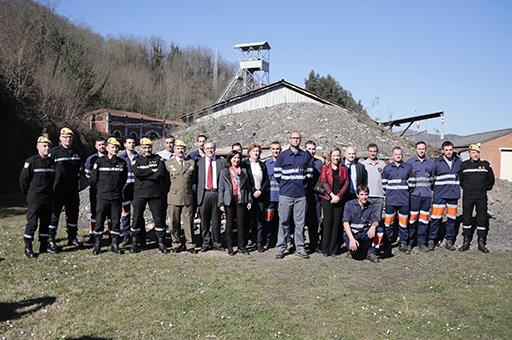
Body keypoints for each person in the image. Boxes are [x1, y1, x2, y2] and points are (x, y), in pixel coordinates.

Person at [274, 131, 313, 260]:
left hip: (301, 195)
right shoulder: (282, 156)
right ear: (289, 139)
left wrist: (301, 184)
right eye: (293, 138)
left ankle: (300, 248)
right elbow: (277, 175)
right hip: (285, 194)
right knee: (283, 221)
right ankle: (281, 248)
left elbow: (309, 175)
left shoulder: (306, 156)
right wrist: (288, 184)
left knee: (300, 223)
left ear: (300, 140)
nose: (296, 140)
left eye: (298, 138)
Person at [19, 135, 56, 257]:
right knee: (32, 223)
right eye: (44, 146)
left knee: (45, 223)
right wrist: (29, 194)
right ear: (38, 147)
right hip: (35, 198)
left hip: (48, 198)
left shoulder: (51, 163)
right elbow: (23, 180)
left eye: (48, 146)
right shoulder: (31, 162)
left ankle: (44, 246)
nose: (47, 148)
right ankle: (28, 247)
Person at [90, 137, 128, 255]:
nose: (115, 149)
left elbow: (123, 180)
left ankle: (115, 244)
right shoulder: (99, 162)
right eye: (112, 147)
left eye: (117, 147)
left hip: (116, 197)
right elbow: (94, 180)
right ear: (107, 148)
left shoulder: (122, 163)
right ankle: (97, 245)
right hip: (102, 197)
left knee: (116, 221)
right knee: (99, 221)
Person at [130, 138, 168, 253]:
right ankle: (135, 242)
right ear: (141, 148)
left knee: (158, 218)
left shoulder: (158, 159)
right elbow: (137, 172)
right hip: (139, 193)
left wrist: (146, 174)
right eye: (144, 147)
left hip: (155, 193)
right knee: (136, 218)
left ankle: (161, 242)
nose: (147, 150)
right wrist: (152, 171)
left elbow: (160, 173)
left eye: (149, 147)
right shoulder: (136, 159)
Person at [48, 127, 83, 249]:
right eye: (65, 137)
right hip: (57, 190)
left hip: (72, 190)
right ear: (60, 138)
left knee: (73, 215)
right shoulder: (54, 152)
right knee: (54, 215)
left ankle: (72, 237)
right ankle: (51, 238)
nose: (67, 139)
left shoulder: (77, 152)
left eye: (70, 137)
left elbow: (80, 169)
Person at [459, 143, 495, 252]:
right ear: (469, 153)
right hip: (468, 196)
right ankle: (466, 241)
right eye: (473, 152)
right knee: (467, 218)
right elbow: (461, 180)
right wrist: (468, 188)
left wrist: (483, 188)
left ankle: (481, 242)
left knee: (482, 219)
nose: (475, 155)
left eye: (477, 152)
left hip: (481, 196)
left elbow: (491, 180)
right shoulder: (464, 165)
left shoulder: (485, 165)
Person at [165, 140, 197, 253]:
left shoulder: (191, 163)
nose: (180, 150)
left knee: (188, 222)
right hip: (174, 196)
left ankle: (190, 244)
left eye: (182, 148)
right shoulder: (168, 163)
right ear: (174, 149)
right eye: (178, 148)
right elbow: (165, 182)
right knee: (174, 222)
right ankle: (176, 244)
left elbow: (193, 180)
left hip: (187, 196)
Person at [218, 151, 252, 256]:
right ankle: (230, 246)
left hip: (241, 200)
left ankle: (241, 246)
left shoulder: (244, 171)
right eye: (234, 158)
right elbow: (221, 188)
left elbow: (248, 188)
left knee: (241, 224)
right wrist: (221, 203)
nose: (236, 160)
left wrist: (249, 200)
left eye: (238, 158)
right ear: (230, 159)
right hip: (229, 201)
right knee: (229, 224)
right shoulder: (224, 171)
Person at [430, 141, 462, 251]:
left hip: (453, 195)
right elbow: (432, 178)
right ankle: (432, 240)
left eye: (450, 149)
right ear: (443, 151)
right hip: (440, 195)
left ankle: (449, 241)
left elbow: (461, 177)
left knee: (451, 220)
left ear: (453, 150)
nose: (449, 152)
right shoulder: (436, 162)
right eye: (446, 150)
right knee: (435, 218)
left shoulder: (458, 162)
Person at [381, 147, 413, 254]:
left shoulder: (408, 167)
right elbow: (384, 184)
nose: (398, 156)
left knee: (403, 223)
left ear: (402, 155)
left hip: (404, 201)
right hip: (391, 201)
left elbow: (412, 184)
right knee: (388, 223)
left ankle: (403, 242)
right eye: (396, 154)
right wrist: (391, 193)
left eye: (399, 154)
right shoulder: (387, 168)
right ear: (392, 155)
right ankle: (387, 242)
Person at [317, 148, 349, 257]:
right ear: (330, 156)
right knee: (327, 223)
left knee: (336, 224)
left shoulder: (344, 168)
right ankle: (325, 248)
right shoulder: (325, 167)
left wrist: (338, 196)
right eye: (334, 155)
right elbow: (323, 181)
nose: (336, 158)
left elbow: (346, 183)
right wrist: (331, 194)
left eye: (338, 156)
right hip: (327, 198)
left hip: (339, 199)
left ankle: (333, 249)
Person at [196, 140, 226, 252]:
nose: (210, 150)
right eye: (207, 148)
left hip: (217, 193)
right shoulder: (199, 162)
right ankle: (206, 242)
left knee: (216, 220)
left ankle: (217, 242)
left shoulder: (221, 162)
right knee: (204, 220)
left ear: (215, 148)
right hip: (204, 194)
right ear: (204, 149)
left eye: (212, 148)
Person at [406, 141, 434, 251]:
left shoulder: (431, 164)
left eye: (423, 148)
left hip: (426, 196)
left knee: (424, 220)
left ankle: (421, 242)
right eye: (419, 148)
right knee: (412, 219)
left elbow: (432, 179)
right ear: (416, 149)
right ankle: (410, 241)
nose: (421, 150)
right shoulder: (410, 163)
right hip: (414, 195)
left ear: (425, 150)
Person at [342, 185, 380, 263]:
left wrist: (373, 226)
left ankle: (371, 252)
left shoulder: (370, 206)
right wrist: (352, 239)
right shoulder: (349, 205)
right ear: (357, 195)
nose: (364, 197)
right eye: (362, 194)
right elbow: (345, 223)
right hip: (352, 234)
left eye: (366, 194)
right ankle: (352, 250)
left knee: (380, 230)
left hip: (363, 233)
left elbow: (375, 220)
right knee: (358, 257)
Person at [243, 144, 270, 252]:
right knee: (249, 220)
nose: (256, 153)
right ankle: (249, 240)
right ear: (249, 152)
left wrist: (260, 191)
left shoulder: (262, 165)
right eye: (254, 151)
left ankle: (259, 243)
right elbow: (246, 179)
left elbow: (266, 180)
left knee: (260, 220)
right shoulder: (245, 164)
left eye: (258, 151)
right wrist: (253, 191)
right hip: (250, 196)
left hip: (261, 195)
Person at [84, 138, 108, 243]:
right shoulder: (91, 159)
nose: (101, 147)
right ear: (95, 146)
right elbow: (87, 173)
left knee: (109, 213)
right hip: (95, 190)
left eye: (103, 144)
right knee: (94, 212)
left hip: (108, 191)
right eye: (99, 145)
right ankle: (92, 233)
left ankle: (110, 234)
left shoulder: (110, 157)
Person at [119, 137, 138, 248]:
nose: (131, 145)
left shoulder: (138, 157)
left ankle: (137, 236)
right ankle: (126, 236)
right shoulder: (121, 158)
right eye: (129, 143)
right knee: (125, 213)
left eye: (133, 143)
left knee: (137, 214)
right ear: (125, 144)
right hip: (125, 190)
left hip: (136, 190)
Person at [305, 140, 323, 253]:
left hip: (316, 195)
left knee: (315, 221)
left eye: (313, 149)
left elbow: (322, 179)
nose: (311, 151)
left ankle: (314, 244)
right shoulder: (301, 161)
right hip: (304, 195)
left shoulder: (319, 163)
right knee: (301, 220)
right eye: (309, 149)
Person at [264, 141, 282, 248]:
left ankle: (281, 241)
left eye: (277, 149)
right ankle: (268, 241)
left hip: (281, 197)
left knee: (281, 221)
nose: (276, 151)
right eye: (274, 149)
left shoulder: (284, 163)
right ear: (270, 150)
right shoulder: (266, 164)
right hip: (269, 198)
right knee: (268, 221)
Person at [362, 143, 386, 219]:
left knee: (377, 219)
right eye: (371, 151)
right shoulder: (363, 164)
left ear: (377, 152)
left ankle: (377, 231)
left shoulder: (382, 164)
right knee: (366, 218)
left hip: (379, 196)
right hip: (367, 196)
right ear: (368, 152)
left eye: (374, 151)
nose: (372, 153)